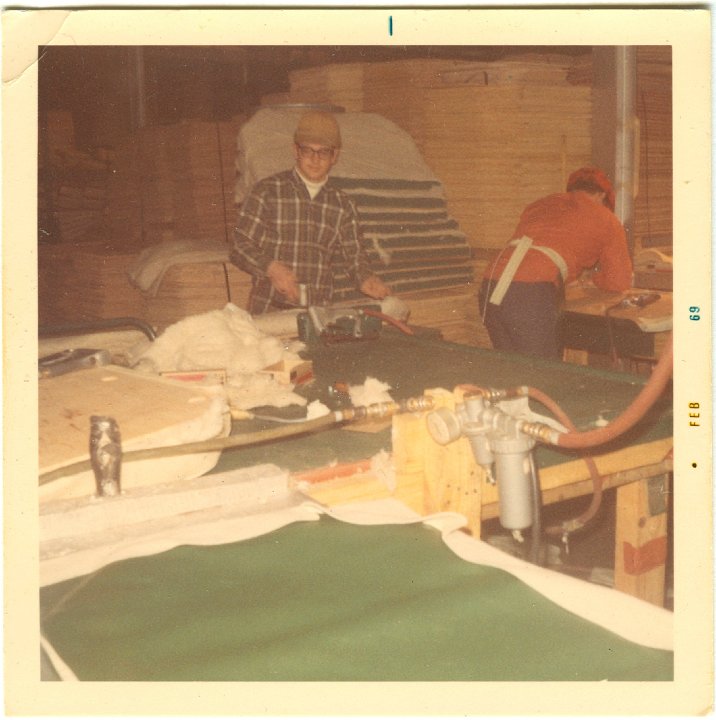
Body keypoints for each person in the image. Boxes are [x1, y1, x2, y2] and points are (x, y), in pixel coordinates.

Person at [231, 110, 391, 314]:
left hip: (318, 313)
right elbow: (239, 244)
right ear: (296, 150)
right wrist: (271, 267)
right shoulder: (267, 192)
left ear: (335, 156)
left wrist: (367, 279)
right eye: (308, 150)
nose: (315, 159)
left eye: (323, 152)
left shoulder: (343, 205)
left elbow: (355, 257)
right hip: (269, 309)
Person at [478, 167, 633, 360]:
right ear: (602, 195)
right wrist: (593, 280)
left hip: (491, 286)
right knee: (542, 373)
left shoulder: (540, 204)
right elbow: (619, 281)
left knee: (513, 369)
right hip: (527, 294)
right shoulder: (607, 219)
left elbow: (538, 250)